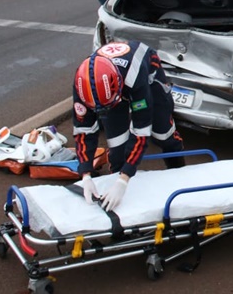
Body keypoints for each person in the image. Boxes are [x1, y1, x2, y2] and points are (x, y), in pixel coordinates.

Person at [72, 40, 185, 211]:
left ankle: (179, 173)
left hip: (147, 78)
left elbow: (141, 131)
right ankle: (117, 201)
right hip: (112, 91)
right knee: (117, 148)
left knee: (163, 133)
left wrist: (124, 180)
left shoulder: (135, 78)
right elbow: (83, 131)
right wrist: (85, 173)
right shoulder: (83, 86)